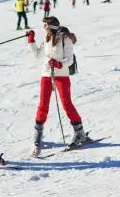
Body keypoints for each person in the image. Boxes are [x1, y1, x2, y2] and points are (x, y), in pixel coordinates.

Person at [26, 17, 90, 152]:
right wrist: (31, 40)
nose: (44, 29)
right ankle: (38, 135)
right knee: (43, 104)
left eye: (45, 26)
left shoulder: (65, 39)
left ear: (51, 27)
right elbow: (38, 56)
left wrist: (59, 64)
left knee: (67, 104)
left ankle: (80, 133)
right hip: (46, 74)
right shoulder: (47, 38)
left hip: (61, 75)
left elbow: (70, 59)